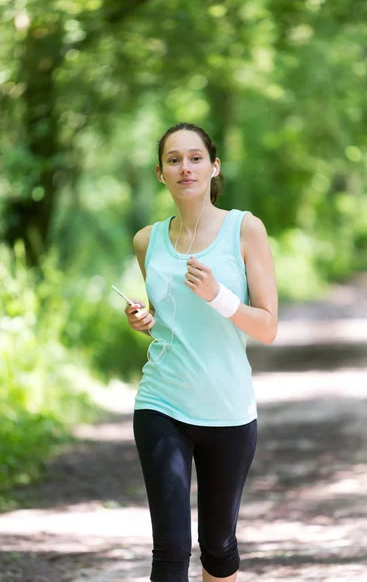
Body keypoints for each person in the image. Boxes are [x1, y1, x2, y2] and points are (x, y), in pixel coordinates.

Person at [125, 122, 278, 582]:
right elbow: (166, 318)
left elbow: (268, 327)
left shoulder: (245, 229)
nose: (184, 167)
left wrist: (220, 296)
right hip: (162, 403)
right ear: (160, 173)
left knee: (218, 547)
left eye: (195, 158)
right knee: (170, 552)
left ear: (214, 167)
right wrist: (144, 322)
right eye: (174, 160)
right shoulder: (146, 240)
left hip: (228, 410)